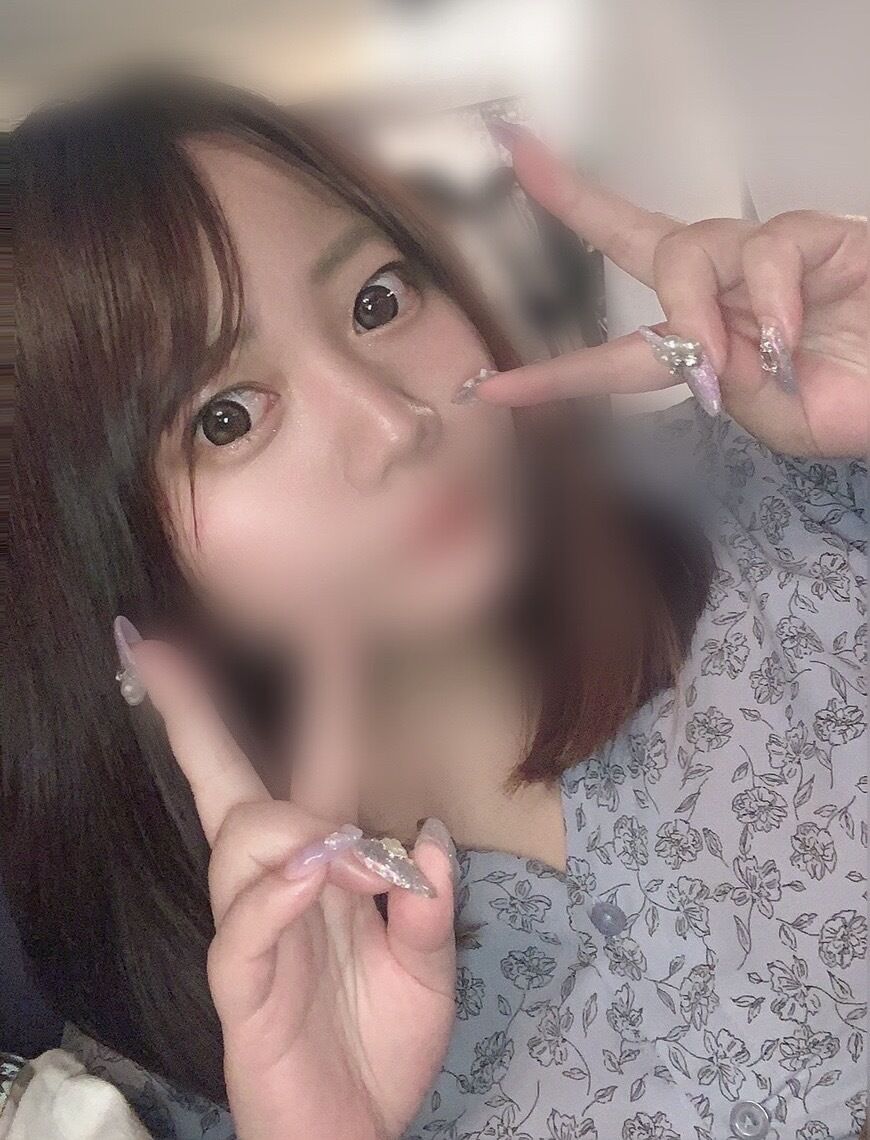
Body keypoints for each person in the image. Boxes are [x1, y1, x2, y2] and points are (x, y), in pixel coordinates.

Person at [4, 74, 866, 1139]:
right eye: (227, 417)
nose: (394, 423)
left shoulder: (794, 492)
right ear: (91, 562)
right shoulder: (169, 1082)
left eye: (377, 302)